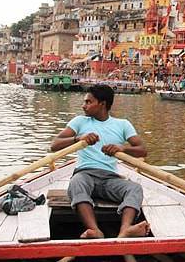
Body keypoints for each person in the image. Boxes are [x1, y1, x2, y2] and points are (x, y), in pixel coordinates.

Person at [51, 85, 149, 239]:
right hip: (85, 175)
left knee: (135, 189)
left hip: (110, 179)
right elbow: (54, 145)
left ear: (102, 104)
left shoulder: (122, 124)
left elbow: (142, 150)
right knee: (76, 183)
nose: (84, 105)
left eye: (88, 102)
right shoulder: (79, 121)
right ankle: (95, 230)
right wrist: (78, 138)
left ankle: (125, 229)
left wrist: (122, 148)